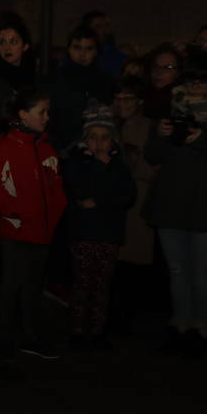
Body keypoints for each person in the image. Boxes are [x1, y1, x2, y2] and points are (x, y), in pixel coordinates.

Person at [142, 49, 207, 360]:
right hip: (171, 202)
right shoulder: (171, 105)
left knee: (202, 271)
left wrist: (201, 138)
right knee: (177, 270)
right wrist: (160, 135)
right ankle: (179, 324)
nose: (197, 86)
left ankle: (201, 328)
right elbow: (153, 156)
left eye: (204, 80)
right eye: (192, 79)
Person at [0, 89, 67, 361]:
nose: (47, 117)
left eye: (47, 111)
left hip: (42, 229)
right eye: (41, 111)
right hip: (16, 231)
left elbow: (56, 186)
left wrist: (54, 213)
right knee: (12, 286)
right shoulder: (5, 147)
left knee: (33, 286)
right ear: (23, 114)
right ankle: (5, 341)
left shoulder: (44, 147)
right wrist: (16, 213)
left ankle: (31, 337)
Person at [62, 103, 136, 350]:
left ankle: (97, 331)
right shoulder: (75, 160)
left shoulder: (119, 164)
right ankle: (77, 331)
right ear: (85, 138)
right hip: (83, 233)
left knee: (102, 286)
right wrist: (99, 171)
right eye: (93, 137)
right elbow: (80, 192)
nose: (98, 143)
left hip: (109, 234)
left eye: (104, 138)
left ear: (112, 139)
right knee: (82, 283)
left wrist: (101, 198)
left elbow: (126, 195)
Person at [112, 77, 157, 332]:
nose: (121, 104)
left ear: (139, 101)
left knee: (133, 264)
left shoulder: (149, 128)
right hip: (112, 203)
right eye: (117, 99)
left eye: (127, 98)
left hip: (138, 199)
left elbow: (154, 169)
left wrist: (133, 161)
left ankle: (129, 317)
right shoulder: (108, 123)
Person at [42, 25, 114, 155]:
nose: (82, 54)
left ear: (96, 51)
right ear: (68, 49)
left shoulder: (105, 81)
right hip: (62, 149)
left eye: (89, 48)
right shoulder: (54, 79)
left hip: (97, 149)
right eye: (77, 47)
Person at [141, 43, 184, 120]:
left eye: (168, 67)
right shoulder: (141, 96)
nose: (159, 72)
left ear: (178, 72)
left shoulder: (181, 101)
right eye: (155, 66)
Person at [81, 10, 128, 80]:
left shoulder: (119, 53)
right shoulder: (80, 53)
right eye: (98, 26)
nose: (104, 30)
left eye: (106, 25)